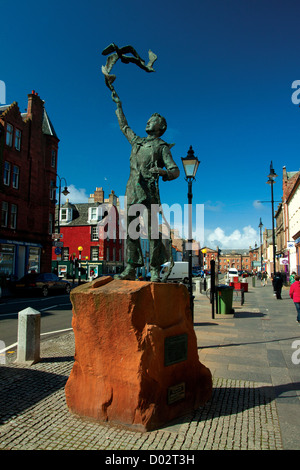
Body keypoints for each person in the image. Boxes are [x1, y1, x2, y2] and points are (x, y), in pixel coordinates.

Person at [111, 90, 180, 282]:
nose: (148, 122)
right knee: (131, 229)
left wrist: (164, 172)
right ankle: (132, 266)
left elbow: (175, 171)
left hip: (149, 192)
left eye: (152, 120)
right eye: (148, 120)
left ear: (161, 127)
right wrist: (119, 106)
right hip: (132, 188)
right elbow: (124, 127)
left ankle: (155, 268)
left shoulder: (161, 146)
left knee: (152, 232)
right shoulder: (137, 141)